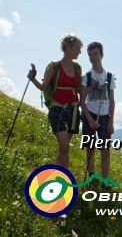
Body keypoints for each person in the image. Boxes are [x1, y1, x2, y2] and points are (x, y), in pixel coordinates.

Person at [27, 34, 83, 170]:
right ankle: (66, 179)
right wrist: (33, 78)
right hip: (57, 109)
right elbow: (43, 86)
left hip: (73, 110)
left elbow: (80, 88)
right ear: (69, 48)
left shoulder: (77, 68)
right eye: (77, 48)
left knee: (64, 149)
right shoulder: (55, 66)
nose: (79, 52)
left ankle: (56, 176)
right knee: (64, 147)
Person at [82, 41, 116, 179]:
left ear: (102, 55)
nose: (93, 57)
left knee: (105, 150)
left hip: (104, 117)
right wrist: (89, 120)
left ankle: (105, 180)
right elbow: (82, 99)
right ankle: (92, 177)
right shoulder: (86, 76)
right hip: (89, 115)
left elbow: (112, 100)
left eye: (95, 54)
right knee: (90, 148)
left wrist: (111, 122)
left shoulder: (109, 77)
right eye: (90, 55)